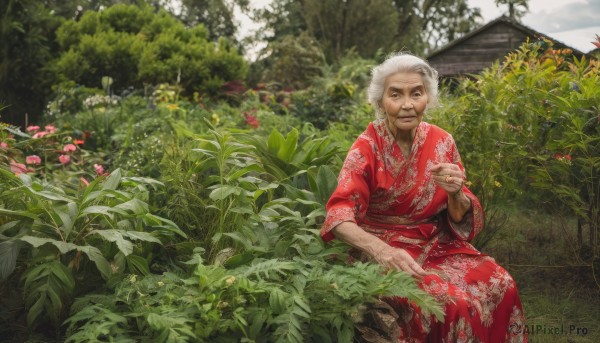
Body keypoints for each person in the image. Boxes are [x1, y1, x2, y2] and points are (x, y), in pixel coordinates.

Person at [320, 53, 527, 342]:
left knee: (501, 283)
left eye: (416, 93)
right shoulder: (366, 147)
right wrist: (382, 252)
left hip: (436, 244)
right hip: (384, 251)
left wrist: (457, 193)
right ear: (380, 102)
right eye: (396, 94)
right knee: (453, 304)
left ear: (427, 98)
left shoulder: (443, 142)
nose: (407, 104)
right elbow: (338, 217)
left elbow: (458, 216)